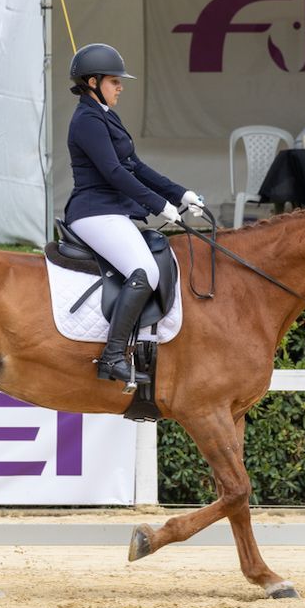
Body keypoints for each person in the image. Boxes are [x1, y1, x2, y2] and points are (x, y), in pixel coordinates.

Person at [64, 43, 204, 385]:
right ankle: (112, 357)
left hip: (112, 211)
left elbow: (135, 166)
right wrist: (160, 206)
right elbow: (114, 173)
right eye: (115, 81)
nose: (121, 86)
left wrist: (180, 193)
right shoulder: (87, 120)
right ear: (93, 82)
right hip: (94, 212)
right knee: (144, 271)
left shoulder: (106, 115)